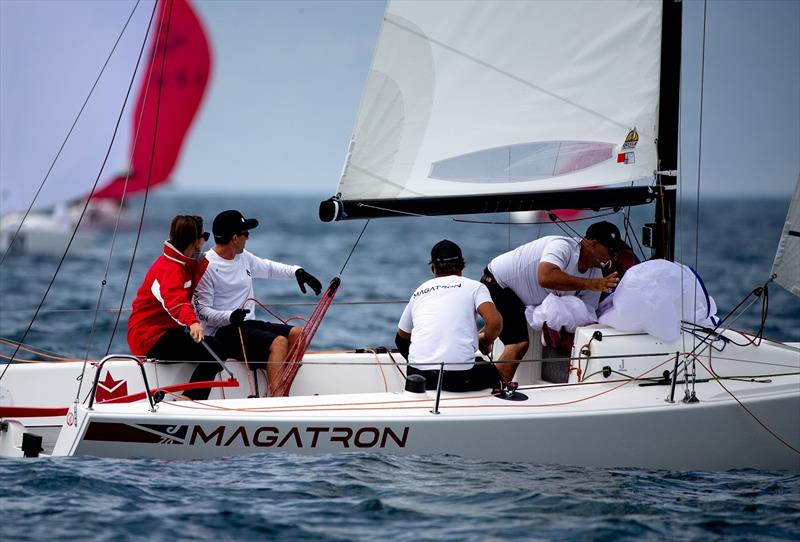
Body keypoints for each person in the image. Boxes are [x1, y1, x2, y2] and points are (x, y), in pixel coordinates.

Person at [193, 209, 322, 396]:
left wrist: (297, 272)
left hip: (246, 325)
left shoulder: (242, 257)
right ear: (235, 238)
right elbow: (202, 312)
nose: (248, 238)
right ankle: (278, 401)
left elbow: (268, 268)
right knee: (278, 342)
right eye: (246, 233)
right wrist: (230, 316)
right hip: (222, 331)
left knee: (298, 334)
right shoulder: (207, 265)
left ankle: (281, 392)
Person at [481, 221, 625, 381]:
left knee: (518, 332)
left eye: (617, 252)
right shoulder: (562, 246)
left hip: (523, 298)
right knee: (519, 343)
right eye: (612, 250)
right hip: (498, 282)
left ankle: (483, 338)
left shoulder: (596, 275)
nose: (614, 256)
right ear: (593, 244)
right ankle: (497, 391)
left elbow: (586, 313)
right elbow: (545, 277)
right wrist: (590, 285)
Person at [127, 215, 225, 400]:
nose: (205, 239)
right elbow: (176, 302)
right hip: (150, 337)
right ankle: (189, 399)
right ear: (196, 242)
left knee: (215, 347)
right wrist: (193, 323)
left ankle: (190, 397)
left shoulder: (184, 264)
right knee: (217, 350)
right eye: (204, 235)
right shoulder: (169, 269)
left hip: (164, 332)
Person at [395, 239, 503, 392]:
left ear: (433, 267)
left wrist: (422, 363)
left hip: (420, 378)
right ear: (462, 265)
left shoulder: (420, 291)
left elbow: (401, 338)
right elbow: (495, 323)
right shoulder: (475, 287)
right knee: (491, 371)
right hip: (458, 379)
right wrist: (485, 342)